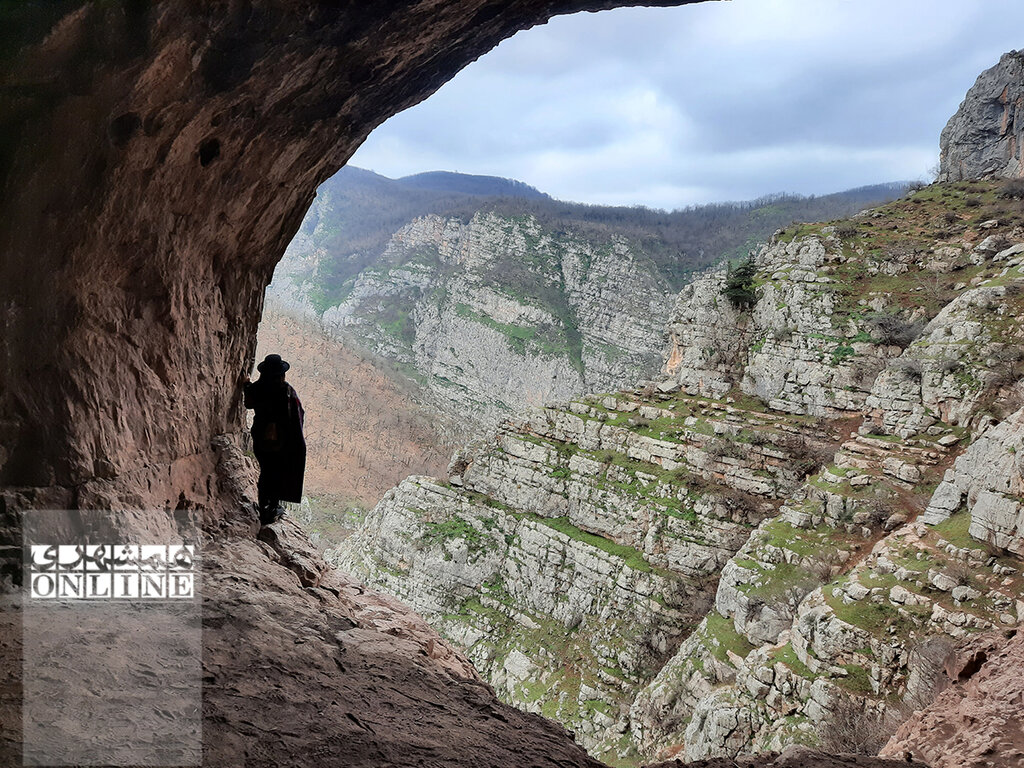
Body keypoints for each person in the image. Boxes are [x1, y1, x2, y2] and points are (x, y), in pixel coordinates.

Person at [243, 354, 306, 525]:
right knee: (277, 472)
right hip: (281, 441)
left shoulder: (258, 388)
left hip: (260, 437)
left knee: (266, 471)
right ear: (281, 373)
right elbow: (297, 414)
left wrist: (246, 384)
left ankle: (264, 506)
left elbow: (248, 404)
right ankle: (272, 508)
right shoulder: (286, 391)